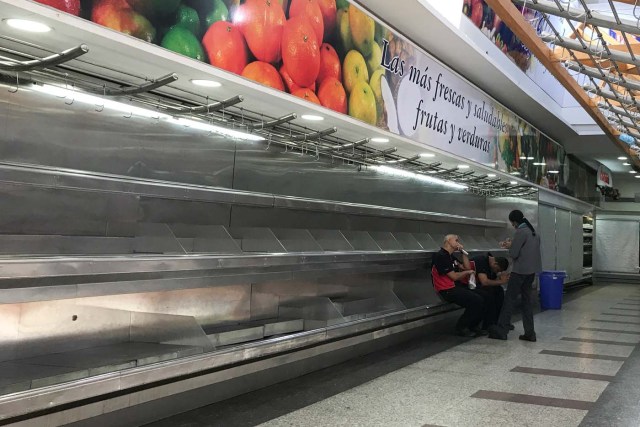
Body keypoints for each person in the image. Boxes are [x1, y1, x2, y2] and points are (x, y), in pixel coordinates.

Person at [488, 210, 542, 342]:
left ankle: (502, 330)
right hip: (531, 272)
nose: (513, 226)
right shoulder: (533, 232)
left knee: (509, 300)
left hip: (520, 272)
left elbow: (514, 254)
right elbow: (526, 250)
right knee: (526, 301)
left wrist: (508, 247)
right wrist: (512, 244)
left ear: (515, 222)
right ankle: (530, 333)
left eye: (512, 223)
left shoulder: (521, 232)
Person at [431, 234, 485, 337]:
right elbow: (454, 277)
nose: (458, 242)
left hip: (455, 287)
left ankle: (473, 325)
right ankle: (461, 327)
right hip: (446, 290)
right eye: (456, 240)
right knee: (476, 300)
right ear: (448, 241)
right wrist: (467, 272)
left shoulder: (450, 256)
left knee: (484, 296)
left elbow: (466, 267)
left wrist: (463, 253)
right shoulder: (441, 256)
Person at [470, 253, 510, 330]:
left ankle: (496, 320)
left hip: (480, 285)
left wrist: (500, 279)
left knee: (499, 291)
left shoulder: (491, 267)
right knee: (489, 294)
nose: (496, 272)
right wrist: (501, 282)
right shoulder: (481, 261)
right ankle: (488, 324)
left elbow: (492, 281)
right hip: (472, 284)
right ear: (495, 263)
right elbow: (484, 282)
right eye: (497, 270)